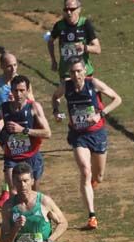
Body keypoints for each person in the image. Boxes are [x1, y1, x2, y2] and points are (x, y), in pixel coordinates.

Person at [52, 57, 122, 230]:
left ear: (85, 71)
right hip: (78, 135)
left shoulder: (94, 84)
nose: (76, 75)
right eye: (72, 72)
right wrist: (56, 111)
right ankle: (92, 216)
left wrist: (100, 114)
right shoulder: (66, 86)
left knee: (98, 176)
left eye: (79, 71)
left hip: (97, 134)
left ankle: (91, 185)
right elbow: (55, 97)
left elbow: (117, 99)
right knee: (85, 170)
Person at [0, 52, 34, 209]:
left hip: (20, 122)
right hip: (2, 122)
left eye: (15, 65)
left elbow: (32, 100)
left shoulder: (22, 82)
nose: (13, 68)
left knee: (18, 154)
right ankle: (9, 187)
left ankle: (7, 188)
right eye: (9, 66)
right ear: (2, 67)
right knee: (9, 153)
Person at [0, 74, 51, 199]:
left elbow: (47, 133)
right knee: (14, 193)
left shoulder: (34, 107)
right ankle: (15, 218)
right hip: (12, 158)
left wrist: (23, 130)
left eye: (22, 90)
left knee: (33, 195)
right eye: (16, 90)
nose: (19, 94)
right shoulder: (4, 108)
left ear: (27, 91)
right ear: (11, 91)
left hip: (32, 156)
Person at [47, 0, 101, 81]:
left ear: (79, 9)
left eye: (72, 9)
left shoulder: (85, 23)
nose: (68, 12)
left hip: (84, 73)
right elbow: (50, 41)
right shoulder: (59, 25)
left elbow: (98, 49)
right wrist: (53, 60)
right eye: (66, 9)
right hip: (66, 73)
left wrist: (84, 47)